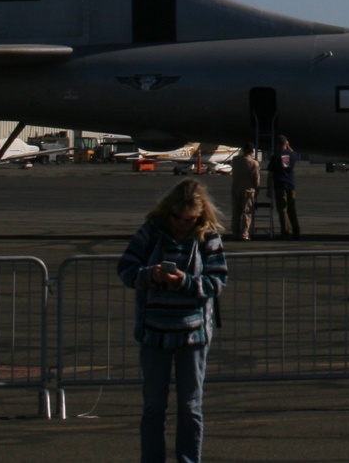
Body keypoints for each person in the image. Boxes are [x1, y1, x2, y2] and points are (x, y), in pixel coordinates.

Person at [117, 178, 228, 463]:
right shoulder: (151, 231)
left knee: (190, 406)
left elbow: (218, 280)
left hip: (192, 333)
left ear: (199, 216)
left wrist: (187, 283)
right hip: (154, 332)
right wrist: (148, 275)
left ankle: (189, 459)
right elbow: (126, 267)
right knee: (154, 406)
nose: (181, 223)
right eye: (177, 217)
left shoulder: (208, 236)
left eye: (189, 219)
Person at [269, 135, 300, 239]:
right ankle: (296, 231)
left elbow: (271, 174)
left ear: (277, 144)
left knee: (282, 209)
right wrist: (288, 145)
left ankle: (285, 231)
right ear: (285, 144)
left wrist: (269, 188)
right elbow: (294, 153)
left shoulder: (276, 156)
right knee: (292, 209)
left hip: (280, 185)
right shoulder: (291, 155)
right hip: (291, 185)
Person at [228, 147, 261, 241]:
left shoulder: (235, 160)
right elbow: (256, 179)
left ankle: (235, 232)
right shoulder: (254, 163)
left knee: (236, 212)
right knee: (246, 213)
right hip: (248, 190)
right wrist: (257, 190)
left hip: (236, 188)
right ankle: (244, 234)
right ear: (251, 152)